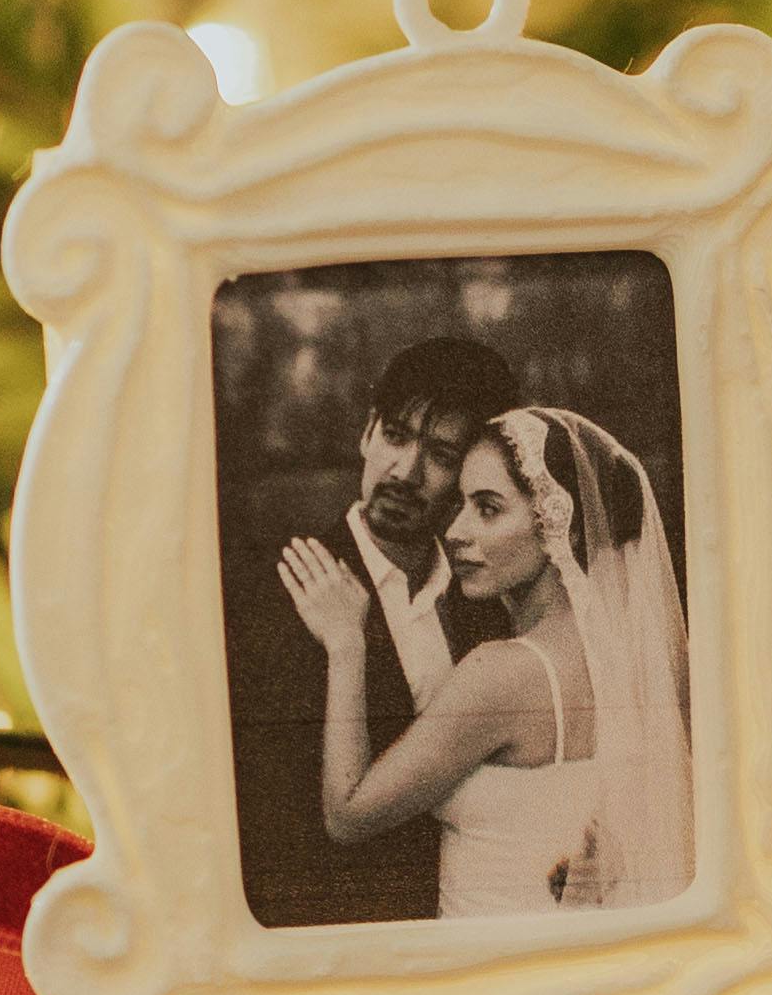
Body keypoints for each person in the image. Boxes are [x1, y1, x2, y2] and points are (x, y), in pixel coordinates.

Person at [277, 404, 692, 918]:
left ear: (563, 527)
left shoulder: (501, 673)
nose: (455, 531)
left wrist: (346, 644)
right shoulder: (632, 653)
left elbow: (347, 814)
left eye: (488, 508)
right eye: (462, 504)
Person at [221, 330, 518, 924]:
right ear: (366, 434)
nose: (405, 471)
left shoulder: (486, 597)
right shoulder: (273, 587)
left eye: (440, 454)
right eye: (396, 436)